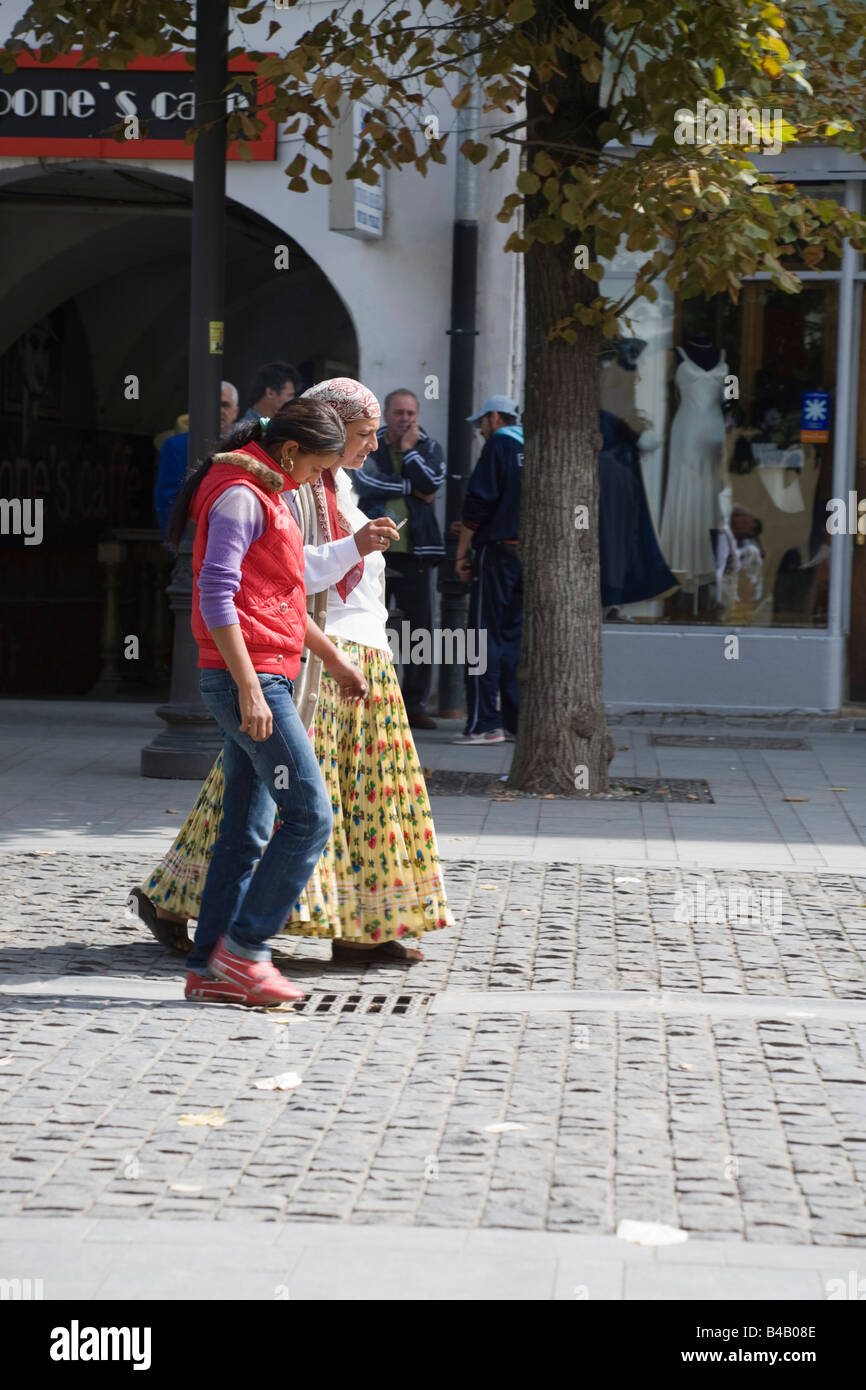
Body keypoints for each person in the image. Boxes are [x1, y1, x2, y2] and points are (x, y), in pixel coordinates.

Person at [131, 378, 453, 964]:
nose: (371, 445)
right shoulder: (279, 486)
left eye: (374, 434)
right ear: (314, 437)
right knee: (286, 807)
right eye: (361, 435)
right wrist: (263, 680)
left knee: (353, 794)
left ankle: (351, 926)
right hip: (296, 656)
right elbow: (273, 579)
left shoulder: (329, 480)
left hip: (345, 648)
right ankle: (223, 936)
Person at [160, 400, 369, 1006]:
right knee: (309, 816)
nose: (317, 482)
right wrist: (250, 687)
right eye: (317, 470)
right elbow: (216, 596)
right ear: (290, 454)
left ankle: (207, 965)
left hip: (261, 674)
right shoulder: (243, 498)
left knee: (246, 830)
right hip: (251, 683)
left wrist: (331, 658)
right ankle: (245, 952)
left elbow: (277, 596)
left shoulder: (265, 488)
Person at [352, 388, 446, 729]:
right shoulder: (370, 441)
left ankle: (414, 704)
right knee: (370, 624)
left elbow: (433, 480)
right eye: (398, 413)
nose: (405, 419)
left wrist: (408, 453)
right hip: (374, 551)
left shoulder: (427, 446)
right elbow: (364, 482)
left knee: (417, 631)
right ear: (386, 415)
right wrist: (411, 488)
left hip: (416, 553)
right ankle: (370, 698)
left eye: (410, 413)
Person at [452, 394, 524, 746]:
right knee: (513, 638)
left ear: (495, 418)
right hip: (525, 556)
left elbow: (479, 503)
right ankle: (514, 720)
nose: (481, 430)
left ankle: (483, 723)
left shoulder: (499, 445)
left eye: (481, 422)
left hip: (495, 555)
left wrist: (462, 551)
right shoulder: (532, 447)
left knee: (481, 638)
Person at [153, 382, 238, 537]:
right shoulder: (176, 446)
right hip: (191, 544)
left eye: (225, 405)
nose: (220, 410)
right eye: (214, 404)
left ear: (236, 412)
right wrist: (179, 544)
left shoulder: (247, 447)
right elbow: (166, 501)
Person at [239, 362, 304, 423]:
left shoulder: (272, 426)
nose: (294, 400)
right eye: (290, 395)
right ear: (270, 393)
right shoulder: (245, 431)